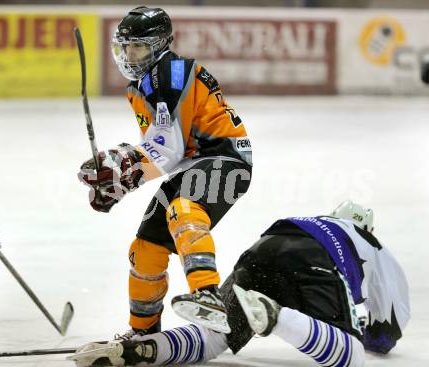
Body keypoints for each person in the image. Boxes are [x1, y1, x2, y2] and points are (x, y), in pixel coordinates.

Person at [78, 6, 252, 336]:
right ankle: (144, 332)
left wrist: (120, 164)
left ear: (160, 45)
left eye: (139, 46)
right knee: (145, 248)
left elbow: (166, 152)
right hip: (194, 164)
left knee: (183, 210)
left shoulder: (171, 74)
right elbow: (159, 150)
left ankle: (208, 294)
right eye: (126, 46)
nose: (130, 54)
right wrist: (119, 183)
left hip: (226, 160)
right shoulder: (143, 85)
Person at [69, 201, 410, 367]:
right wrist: (366, 332)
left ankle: (141, 352)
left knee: (215, 338)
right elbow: (388, 331)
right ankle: (274, 316)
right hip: (313, 260)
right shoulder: (370, 243)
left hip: (264, 248)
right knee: (351, 356)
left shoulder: (315, 220)